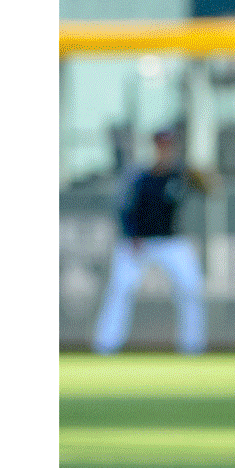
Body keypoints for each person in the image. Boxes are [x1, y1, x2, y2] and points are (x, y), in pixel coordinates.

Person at [92, 127, 216, 355]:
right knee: (120, 289)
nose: (164, 151)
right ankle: (105, 346)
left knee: (191, 287)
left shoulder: (180, 174)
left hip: (171, 241)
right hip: (137, 241)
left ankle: (193, 347)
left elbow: (212, 188)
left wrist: (200, 172)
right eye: (161, 146)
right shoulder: (139, 174)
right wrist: (131, 234)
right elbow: (124, 209)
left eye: (168, 146)